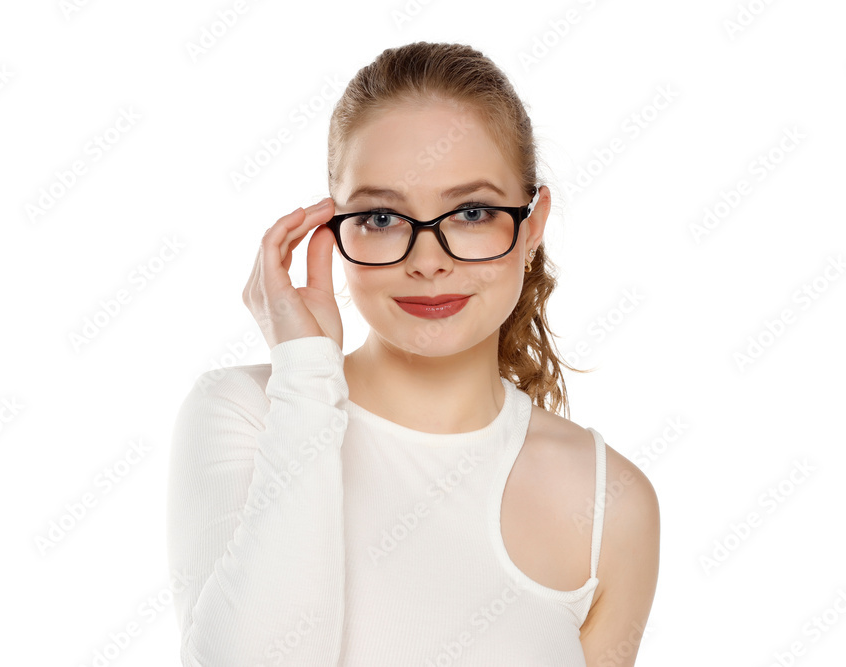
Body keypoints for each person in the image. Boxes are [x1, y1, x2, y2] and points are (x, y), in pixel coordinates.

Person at [167, 41, 660, 666]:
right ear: (331, 230)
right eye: (380, 218)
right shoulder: (248, 413)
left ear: (531, 227)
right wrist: (306, 374)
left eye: (473, 212)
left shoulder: (610, 502)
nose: (429, 261)